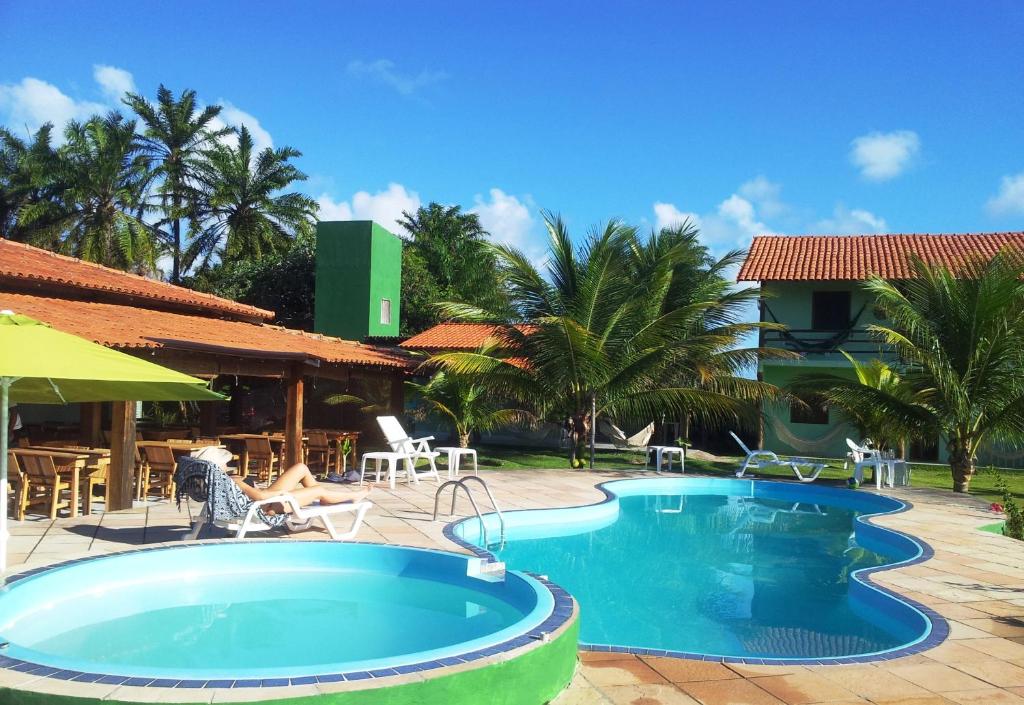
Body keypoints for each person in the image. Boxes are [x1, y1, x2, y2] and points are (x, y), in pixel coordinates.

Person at [193, 446, 370, 516]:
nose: (226, 464)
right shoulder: (232, 481)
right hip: (268, 507)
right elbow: (261, 496)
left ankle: (322, 498)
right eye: (223, 462)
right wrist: (283, 493)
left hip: (264, 502)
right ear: (217, 466)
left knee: (301, 467)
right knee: (318, 491)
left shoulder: (217, 480)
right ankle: (351, 497)